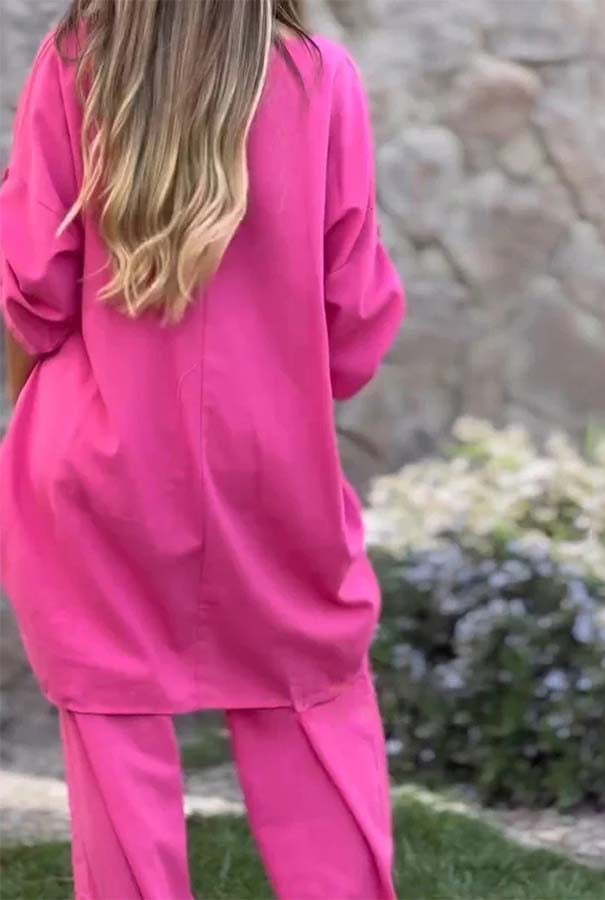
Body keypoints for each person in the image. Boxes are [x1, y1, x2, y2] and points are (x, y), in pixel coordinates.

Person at [0, 0, 406, 897]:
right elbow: (352, 320)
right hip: (271, 463)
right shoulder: (320, 77)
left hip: (93, 455)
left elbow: (34, 287)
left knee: (111, 719)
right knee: (309, 693)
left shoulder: (75, 61)